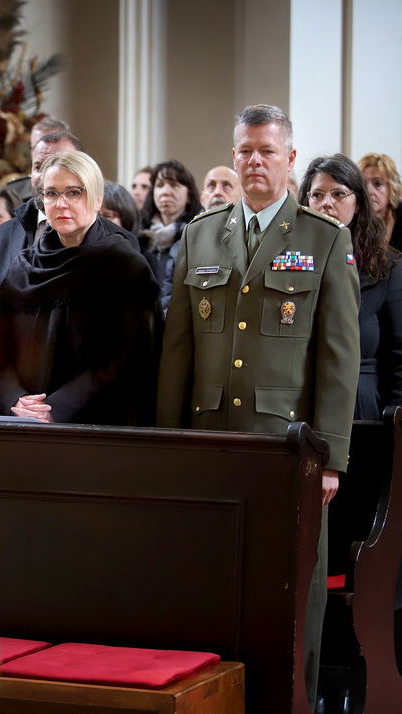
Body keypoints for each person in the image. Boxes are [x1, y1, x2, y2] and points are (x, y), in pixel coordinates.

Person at [157, 104, 360, 707]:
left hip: (287, 445)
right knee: (211, 579)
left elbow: (338, 360)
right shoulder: (201, 233)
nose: (253, 162)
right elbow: (178, 352)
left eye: (266, 151)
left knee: (293, 587)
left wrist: (331, 459)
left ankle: (296, 697)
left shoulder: (325, 239)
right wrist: (168, 441)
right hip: (211, 437)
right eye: (243, 150)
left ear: (290, 159)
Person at [0, 151, 159, 425]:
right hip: (26, 422)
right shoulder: (24, 266)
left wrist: (57, 408)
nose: (61, 203)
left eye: (74, 192)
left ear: (97, 199)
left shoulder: (124, 265)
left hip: (100, 424)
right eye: (51, 194)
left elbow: (128, 355)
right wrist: (16, 399)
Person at [0, 130, 82, 404]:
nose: (45, 175)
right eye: (39, 166)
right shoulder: (4, 235)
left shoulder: (108, 240)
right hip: (5, 397)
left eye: (58, 163)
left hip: (71, 404)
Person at [299, 154, 402, 419]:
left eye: (338, 194)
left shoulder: (386, 266)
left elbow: (398, 355)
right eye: (317, 195)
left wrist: (394, 421)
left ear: (357, 204)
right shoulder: (289, 262)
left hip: (361, 404)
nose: (326, 204)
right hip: (298, 401)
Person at [141, 160, 202, 313]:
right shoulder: (138, 234)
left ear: (189, 195)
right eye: (160, 185)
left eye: (174, 185)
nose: (166, 192)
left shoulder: (197, 236)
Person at [5, 117, 70, 201]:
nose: (42, 153)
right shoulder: (14, 192)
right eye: (36, 147)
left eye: (50, 147)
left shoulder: (82, 188)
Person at [358, 152, 402, 251]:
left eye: (378, 184)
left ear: (392, 188)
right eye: (364, 183)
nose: (369, 191)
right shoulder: (350, 220)